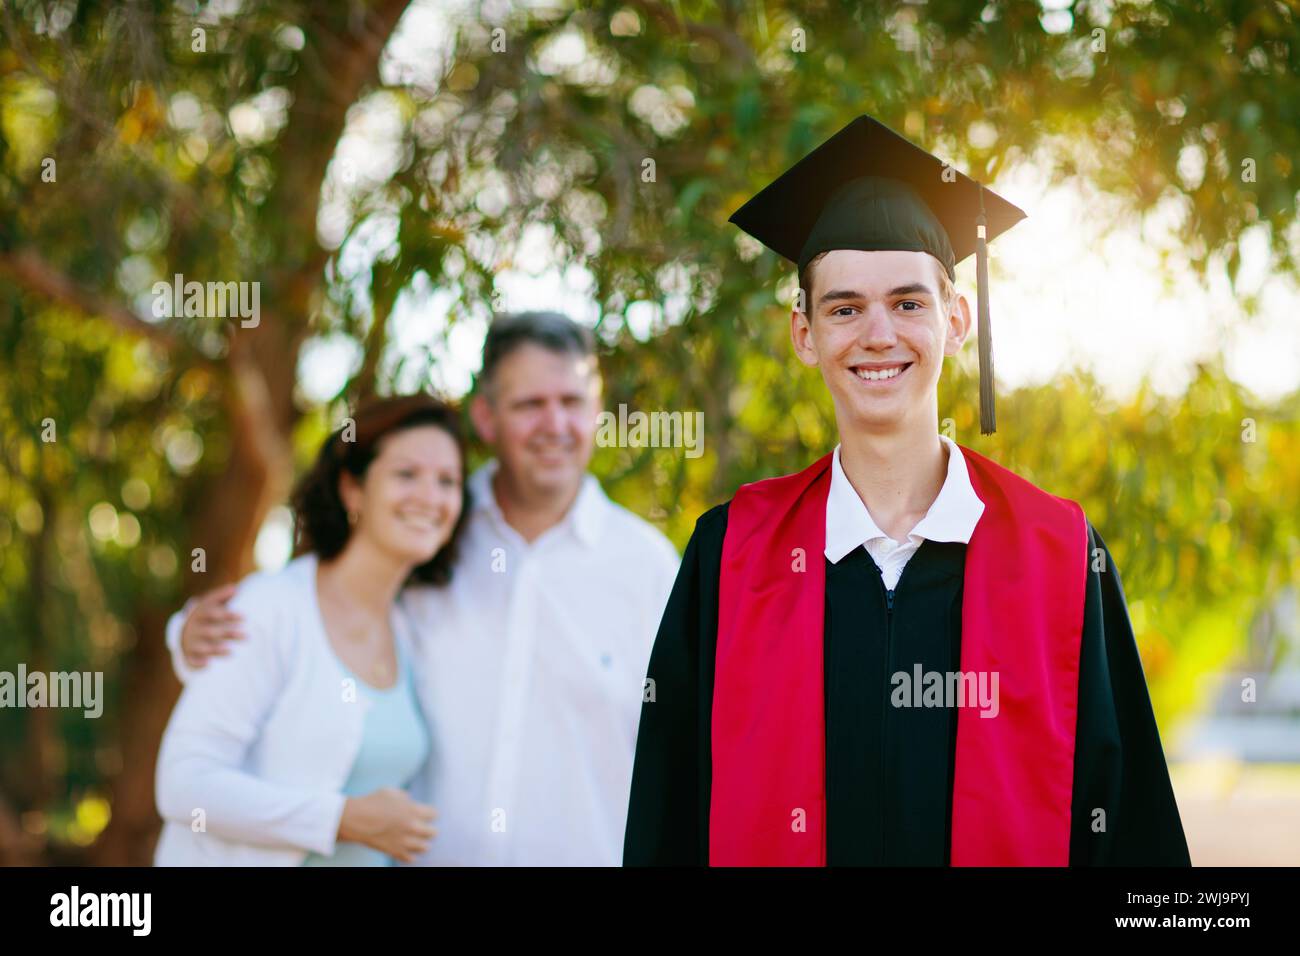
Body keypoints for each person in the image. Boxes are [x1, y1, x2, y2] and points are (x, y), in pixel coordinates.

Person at [623, 115, 1192, 866]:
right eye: (845, 307)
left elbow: (1131, 823)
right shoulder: (731, 555)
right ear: (804, 334)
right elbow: (667, 820)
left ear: (957, 321)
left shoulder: (1059, 555)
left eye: (909, 302)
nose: (879, 334)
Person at [168, 312, 681, 866]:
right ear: (486, 417)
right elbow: (323, 611)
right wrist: (188, 635)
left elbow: (688, 747)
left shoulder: (651, 569)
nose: (554, 424)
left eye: (572, 402)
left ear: (597, 412)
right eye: (530, 404)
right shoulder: (436, 540)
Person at [154, 395, 469, 866]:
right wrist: (341, 819)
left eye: (448, 481)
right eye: (406, 474)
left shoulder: (415, 628)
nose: (429, 496)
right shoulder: (269, 609)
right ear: (352, 490)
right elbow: (183, 785)